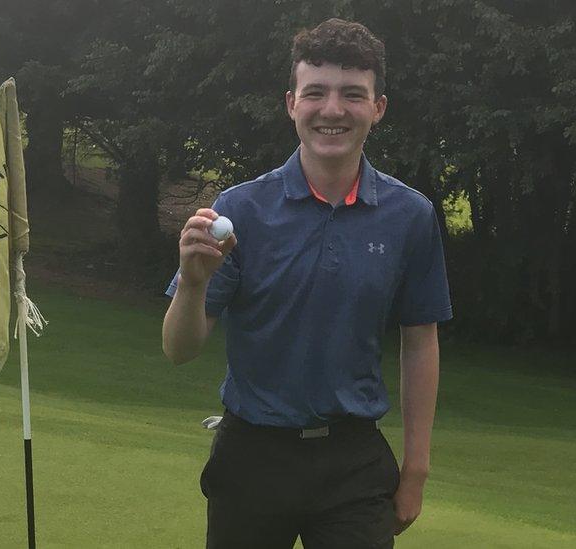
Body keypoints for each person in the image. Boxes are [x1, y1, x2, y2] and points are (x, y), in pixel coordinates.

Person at [162, 17, 452, 549]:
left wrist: (416, 471)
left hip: (353, 463)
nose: (332, 110)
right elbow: (179, 350)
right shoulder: (239, 209)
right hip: (252, 456)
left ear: (378, 108)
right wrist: (193, 287)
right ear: (292, 103)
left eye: (352, 94)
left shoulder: (409, 215)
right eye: (315, 92)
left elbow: (420, 341)